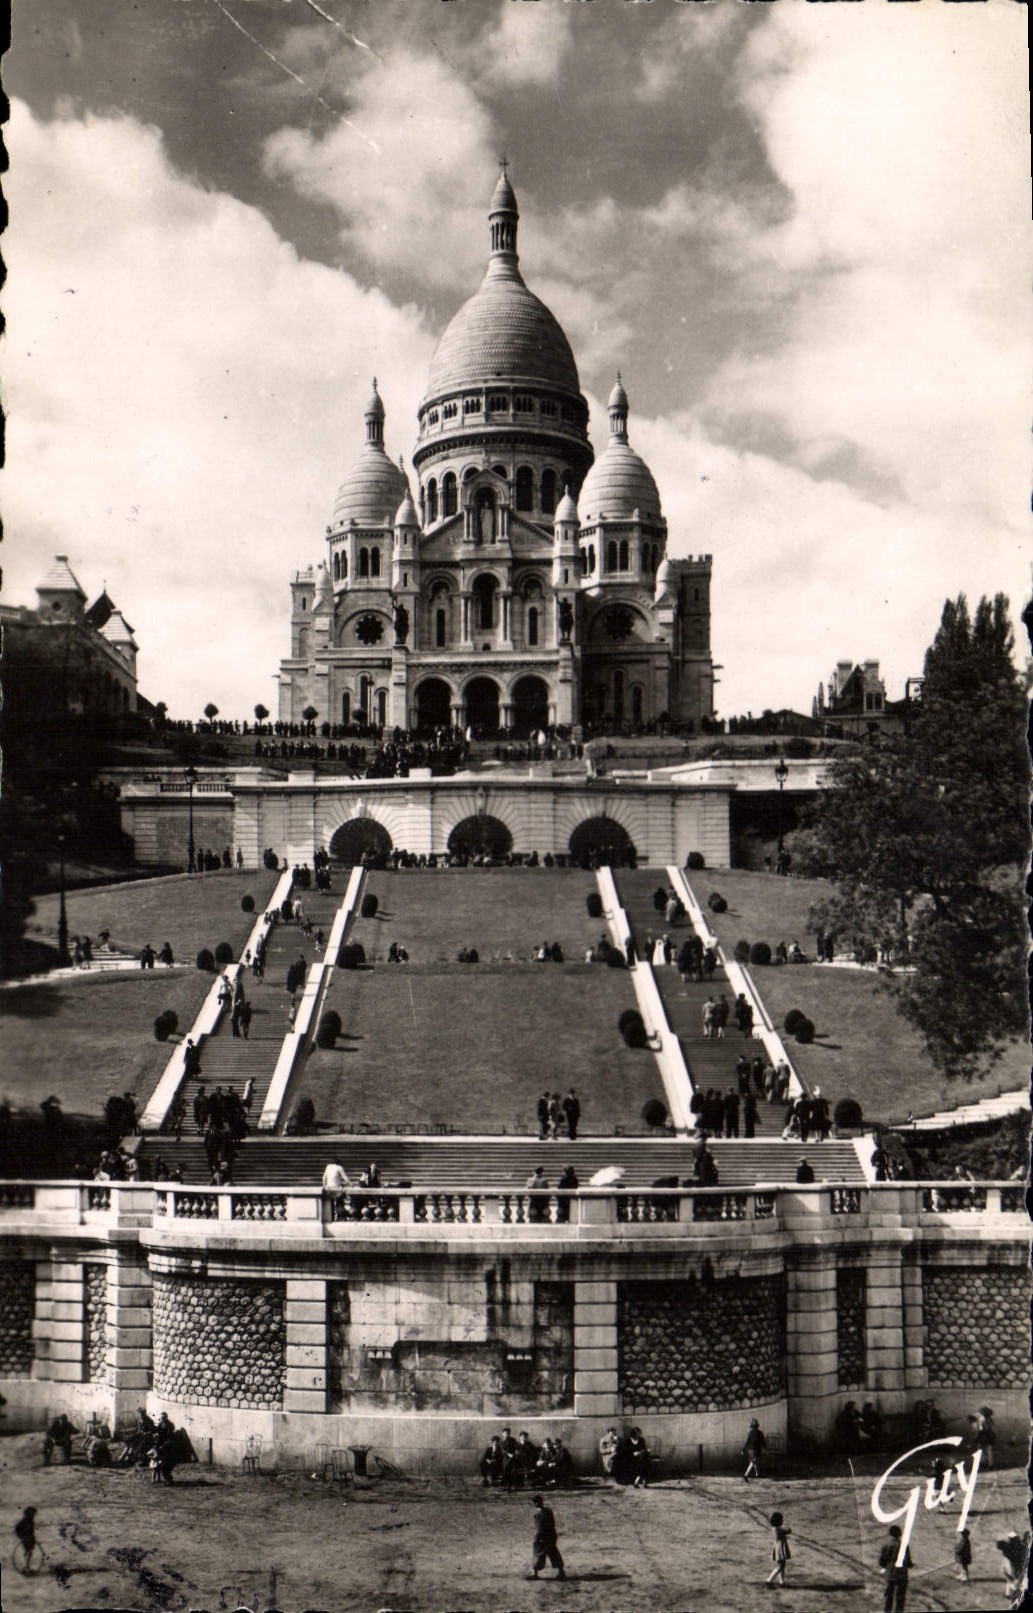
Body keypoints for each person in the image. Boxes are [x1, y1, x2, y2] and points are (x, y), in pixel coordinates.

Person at [529, 1494, 565, 1580]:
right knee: (548, 1553)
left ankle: (535, 1573)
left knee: (544, 1553)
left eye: (536, 1502)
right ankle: (560, 1572)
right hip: (546, 1535)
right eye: (535, 1502)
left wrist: (539, 1537)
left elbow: (543, 1526)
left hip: (545, 1535)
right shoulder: (545, 1511)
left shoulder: (541, 1513)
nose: (535, 1504)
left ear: (539, 1502)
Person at [879, 1525, 912, 1612]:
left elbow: (881, 1562)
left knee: (888, 1595)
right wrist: (910, 1565)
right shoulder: (904, 1546)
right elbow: (908, 1562)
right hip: (902, 1574)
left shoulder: (886, 1546)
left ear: (890, 1534)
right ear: (900, 1534)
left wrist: (886, 1566)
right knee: (900, 1597)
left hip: (890, 1574)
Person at [766, 1511, 792, 1588]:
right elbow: (788, 1530)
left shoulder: (775, 1528)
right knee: (780, 1566)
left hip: (779, 1547)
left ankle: (782, 1582)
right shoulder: (778, 1529)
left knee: (782, 1566)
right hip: (781, 1548)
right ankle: (769, 1580)